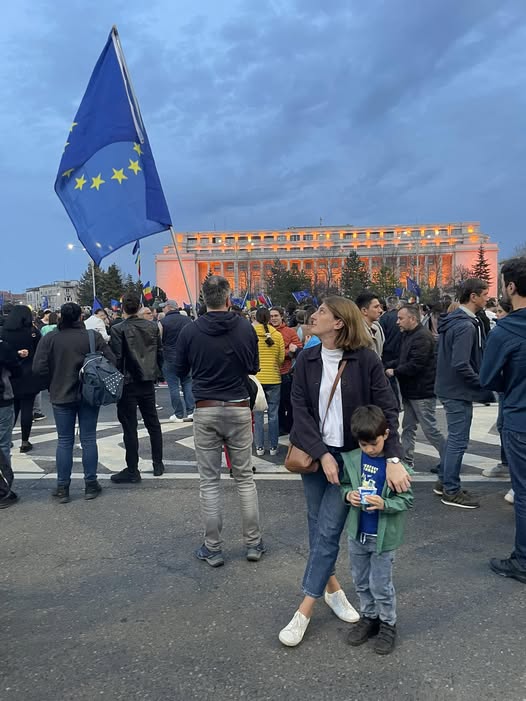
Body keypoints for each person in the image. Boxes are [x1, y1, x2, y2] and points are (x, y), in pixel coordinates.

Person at [278, 296, 410, 647]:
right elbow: (300, 411)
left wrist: (393, 459)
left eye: (322, 311)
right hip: (315, 456)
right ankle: (333, 589)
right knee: (315, 524)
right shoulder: (306, 358)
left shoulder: (365, 359)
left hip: (352, 460)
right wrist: (322, 455)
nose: (314, 315)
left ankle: (305, 608)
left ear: (339, 323)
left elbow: (388, 409)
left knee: (329, 528)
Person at [175, 275, 264, 567]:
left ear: (203, 299)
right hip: (238, 406)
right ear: (228, 299)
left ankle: (213, 547)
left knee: (210, 482)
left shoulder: (191, 330)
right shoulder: (244, 327)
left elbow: (178, 369)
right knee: (244, 479)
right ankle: (253, 543)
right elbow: (253, 366)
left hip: (206, 406)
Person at [340, 405, 413, 654]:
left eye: (374, 443)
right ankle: (369, 617)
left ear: (386, 434)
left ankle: (388, 624)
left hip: (382, 537)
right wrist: (348, 495)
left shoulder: (395, 466)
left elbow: (406, 500)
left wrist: (385, 504)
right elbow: (344, 485)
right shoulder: (352, 459)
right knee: (360, 581)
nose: (370, 449)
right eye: (364, 444)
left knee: (381, 585)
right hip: (357, 534)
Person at [32, 303, 115, 503]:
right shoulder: (91, 337)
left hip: (60, 393)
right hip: (89, 393)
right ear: (80, 317)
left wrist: (50, 383)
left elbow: (38, 367)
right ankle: (91, 484)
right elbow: (111, 359)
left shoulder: (50, 338)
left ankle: (63, 487)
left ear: (60, 317)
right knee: (88, 439)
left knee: (64, 441)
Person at [480, 258, 526, 584]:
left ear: (510, 287)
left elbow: (488, 378)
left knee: (523, 494)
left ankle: (522, 560)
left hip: (520, 418)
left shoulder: (507, 330)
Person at [435, 278, 491, 509]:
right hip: (457, 390)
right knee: (459, 441)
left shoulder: (457, 321)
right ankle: (451, 490)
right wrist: (481, 383)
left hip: (451, 388)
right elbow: (460, 363)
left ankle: (444, 481)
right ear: (474, 296)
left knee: (455, 439)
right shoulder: (466, 325)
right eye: (485, 294)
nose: (488, 298)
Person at [109, 293, 165, 483]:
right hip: (147, 380)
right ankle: (158, 463)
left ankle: (133, 469)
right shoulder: (152, 327)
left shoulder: (118, 329)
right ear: (140, 306)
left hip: (127, 382)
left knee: (129, 427)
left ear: (123, 308)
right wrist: (158, 373)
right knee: (153, 424)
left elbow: (117, 358)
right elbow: (159, 352)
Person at [385, 305, 446, 472]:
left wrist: (394, 371)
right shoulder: (408, 335)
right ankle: (406, 460)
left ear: (413, 319)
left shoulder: (422, 337)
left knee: (429, 429)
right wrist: (386, 365)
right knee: (408, 428)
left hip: (422, 392)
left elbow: (415, 365)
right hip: (411, 391)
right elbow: (403, 359)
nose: (397, 322)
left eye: (401, 318)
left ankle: (449, 460)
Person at [1, 305, 41, 452]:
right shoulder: (32, 332)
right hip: (29, 373)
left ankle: (8, 439)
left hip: (10, 375)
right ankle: (25, 441)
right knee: (27, 408)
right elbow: (39, 352)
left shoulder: (4, 332)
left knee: (11, 409)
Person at [481, 298, 512, 482]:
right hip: (505, 389)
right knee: (502, 426)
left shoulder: (503, 332)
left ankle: (509, 466)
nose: (497, 315)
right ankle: (506, 464)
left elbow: (488, 374)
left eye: (501, 311)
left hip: (510, 389)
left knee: (506, 426)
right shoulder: (500, 331)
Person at [253, 308, 285, 456]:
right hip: (274, 378)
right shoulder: (277, 335)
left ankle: (259, 447)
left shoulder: (251, 334)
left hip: (257, 379)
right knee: (273, 414)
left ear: (256, 318)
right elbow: (281, 359)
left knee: (258, 414)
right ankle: (273, 446)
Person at [0, 333, 26, 508]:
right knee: (3, 443)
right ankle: (3, 489)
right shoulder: (2, 346)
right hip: (2, 398)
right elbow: (16, 370)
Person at [269, 307, 302, 435]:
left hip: (286, 372)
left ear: (282, 317)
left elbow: (298, 348)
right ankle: (280, 427)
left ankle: (290, 425)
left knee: (289, 402)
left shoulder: (289, 332)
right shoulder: (266, 331)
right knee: (276, 405)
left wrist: (284, 353)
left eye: (276, 315)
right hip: (271, 372)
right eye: (271, 316)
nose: (273, 318)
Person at [160, 299, 194, 423]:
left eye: (164, 307)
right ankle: (191, 411)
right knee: (187, 383)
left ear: (169, 307)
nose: (162, 309)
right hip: (186, 356)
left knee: (173, 386)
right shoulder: (188, 320)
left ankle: (178, 413)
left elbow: (160, 339)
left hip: (169, 356)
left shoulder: (163, 322)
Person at [379, 296, 402, 409]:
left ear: (387, 306)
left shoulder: (384, 318)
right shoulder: (402, 317)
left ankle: (396, 403)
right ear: (398, 305)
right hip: (402, 351)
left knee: (390, 379)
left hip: (388, 352)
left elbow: (381, 337)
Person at [355, 291, 385, 357]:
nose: (380, 311)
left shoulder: (376, 328)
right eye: (376, 307)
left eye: (380, 307)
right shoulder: (356, 332)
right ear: (364, 310)